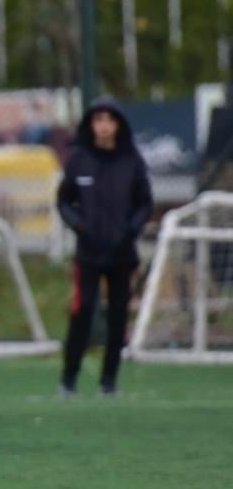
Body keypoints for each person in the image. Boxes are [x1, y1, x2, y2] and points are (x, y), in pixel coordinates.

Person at [57, 98, 153, 396]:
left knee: (118, 317)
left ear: (118, 125)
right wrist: (79, 225)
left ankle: (108, 381)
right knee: (83, 310)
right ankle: (68, 379)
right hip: (88, 253)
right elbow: (63, 201)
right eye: (98, 120)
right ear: (91, 124)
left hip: (122, 254)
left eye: (109, 120)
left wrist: (131, 229)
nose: (104, 126)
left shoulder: (132, 161)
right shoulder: (79, 159)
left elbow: (145, 202)